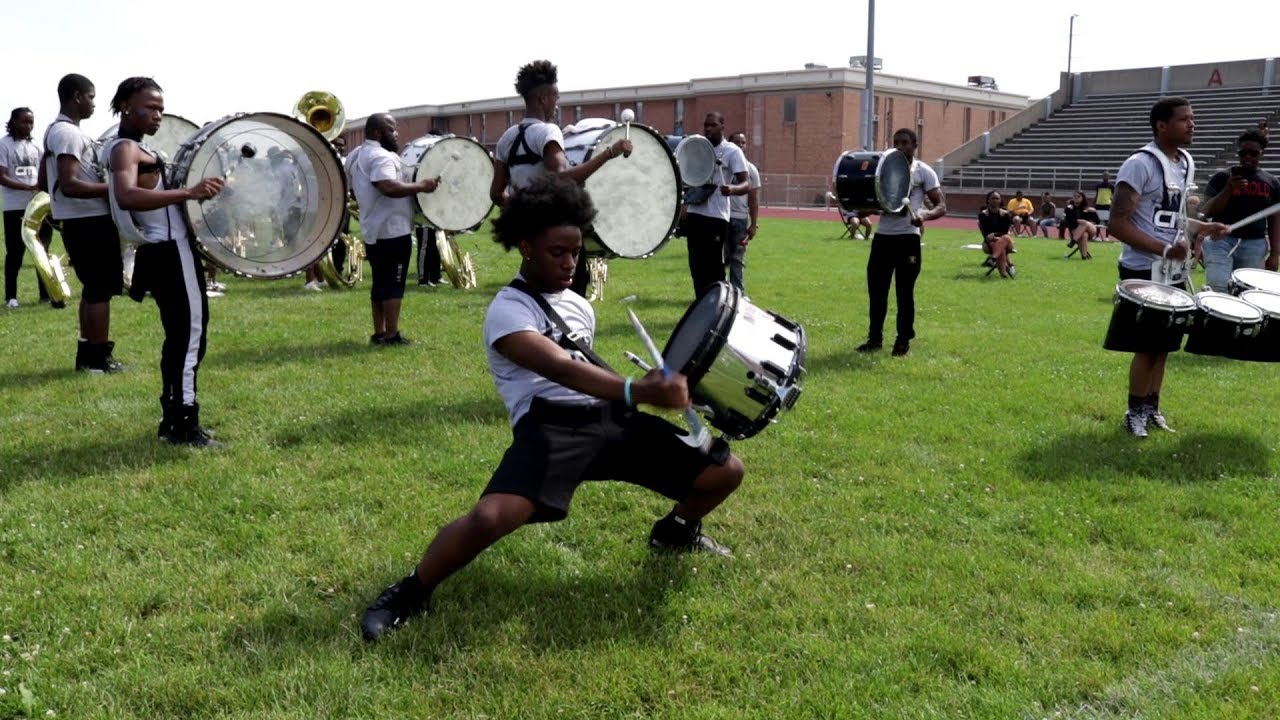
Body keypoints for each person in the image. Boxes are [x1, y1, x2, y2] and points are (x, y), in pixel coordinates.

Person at [359, 175, 744, 642]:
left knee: (724, 472)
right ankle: (410, 592)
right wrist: (638, 392)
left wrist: (657, 393)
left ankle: (676, 531)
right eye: (555, 253)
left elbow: (585, 371)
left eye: (575, 253)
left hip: (607, 418)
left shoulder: (580, 306)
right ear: (525, 247)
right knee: (490, 517)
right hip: (550, 426)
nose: (568, 263)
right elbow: (559, 368)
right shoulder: (508, 309)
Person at [105, 77, 224, 446]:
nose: (157, 115)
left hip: (168, 251)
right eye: (149, 107)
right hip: (170, 252)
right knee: (188, 339)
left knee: (182, 338)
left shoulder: (136, 148)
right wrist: (188, 191)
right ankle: (184, 425)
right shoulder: (125, 149)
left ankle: (173, 416)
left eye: (160, 108)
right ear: (125, 105)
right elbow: (126, 196)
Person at [1109, 97, 1228, 438]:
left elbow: (1171, 219)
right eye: (1184, 120)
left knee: (1164, 346)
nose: (1192, 124)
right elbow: (1118, 224)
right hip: (1144, 268)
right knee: (1147, 345)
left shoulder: (1185, 161)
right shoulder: (1139, 164)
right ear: (1162, 125)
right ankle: (1133, 412)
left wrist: (1201, 228)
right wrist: (1164, 248)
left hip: (1172, 269)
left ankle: (1151, 406)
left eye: (1193, 119)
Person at [488, 59, 632, 297]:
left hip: (529, 232)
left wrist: (522, 210)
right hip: (557, 231)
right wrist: (609, 153)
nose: (556, 104)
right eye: (555, 97)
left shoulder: (507, 138)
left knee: (534, 287)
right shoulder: (547, 132)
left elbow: (495, 193)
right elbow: (563, 178)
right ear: (543, 98)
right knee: (567, 296)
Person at [40, 73, 125, 372]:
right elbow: (70, 184)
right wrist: (118, 189)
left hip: (79, 222)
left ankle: (87, 357)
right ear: (76, 97)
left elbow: (43, 179)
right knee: (100, 291)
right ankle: (100, 361)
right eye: (90, 97)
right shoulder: (69, 134)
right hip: (89, 221)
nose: (93, 103)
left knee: (92, 290)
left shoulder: (55, 130)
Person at [345, 113, 438, 345]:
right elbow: (386, 185)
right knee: (394, 285)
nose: (396, 133)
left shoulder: (357, 154)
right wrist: (422, 186)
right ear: (377, 132)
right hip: (393, 230)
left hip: (372, 230)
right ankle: (392, 334)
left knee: (379, 283)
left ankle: (379, 332)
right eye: (391, 129)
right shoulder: (381, 156)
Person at [855, 128, 946, 357]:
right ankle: (874, 338)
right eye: (896, 142)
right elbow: (867, 207)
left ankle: (903, 341)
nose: (900, 146)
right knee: (877, 292)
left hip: (908, 239)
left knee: (904, 292)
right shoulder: (882, 170)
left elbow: (941, 205)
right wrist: (867, 207)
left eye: (905, 142)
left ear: (915, 145)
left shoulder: (924, 172)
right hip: (883, 238)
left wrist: (923, 215)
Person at [1197, 129, 1280, 291]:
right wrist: (1228, 190)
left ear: (1261, 154)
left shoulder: (1272, 182)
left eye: (1253, 153)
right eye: (1243, 153)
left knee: (1249, 291)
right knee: (1218, 287)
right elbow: (1207, 211)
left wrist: (1275, 253)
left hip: (1255, 244)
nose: (1247, 157)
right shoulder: (1222, 177)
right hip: (1220, 240)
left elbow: (1275, 219)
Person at [1, 107, 55, 307]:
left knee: (42, 249)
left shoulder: (37, 146)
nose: (29, 126)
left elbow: (46, 171)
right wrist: (28, 186)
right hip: (15, 207)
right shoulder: (4, 145)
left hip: (39, 206)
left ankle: (46, 293)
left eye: (31, 122)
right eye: (24, 122)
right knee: (15, 252)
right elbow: (2, 176)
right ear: (14, 121)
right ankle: (11, 297)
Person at [725, 132, 761, 291]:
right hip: (721, 217)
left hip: (739, 220)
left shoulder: (750, 169)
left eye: (743, 142)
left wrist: (753, 224)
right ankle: (717, 294)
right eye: (736, 142)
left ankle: (738, 293)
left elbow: (753, 200)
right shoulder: (722, 165)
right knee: (718, 259)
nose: (740, 145)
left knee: (737, 259)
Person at [977, 191, 1016, 278]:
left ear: (1000, 200)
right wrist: (996, 238)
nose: (995, 200)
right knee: (1000, 246)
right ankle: (1004, 274)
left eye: (997, 198)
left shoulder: (1005, 214)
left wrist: (994, 235)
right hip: (990, 243)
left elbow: (1005, 231)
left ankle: (993, 258)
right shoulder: (983, 215)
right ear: (988, 200)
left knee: (1005, 238)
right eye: (993, 198)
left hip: (1005, 241)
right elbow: (987, 233)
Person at [1062, 191, 1098, 260]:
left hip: (1091, 230)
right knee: (1084, 235)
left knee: (1084, 223)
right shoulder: (1069, 208)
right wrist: (1078, 221)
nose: (1076, 198)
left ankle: (1073, 241)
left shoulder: (1086, 208)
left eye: (1078, 196)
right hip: (1076, 232)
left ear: (1082, 198)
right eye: (1074, 196)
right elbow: (1069, 221)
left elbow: (1097, 221)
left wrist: (1093, 212)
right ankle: (1084, 257)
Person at [1094, 171, 1115, 238]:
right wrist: (1094, 202)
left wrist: (1113, 204)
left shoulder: (1111, 186)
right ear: (1102, 177)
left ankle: (1106, 237)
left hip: (1107, 205)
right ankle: (1097, 236)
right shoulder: (1098, 186)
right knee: (1097, 220)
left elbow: (1113, 196)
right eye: (1104, 175)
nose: (1105, 177)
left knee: (1107, 221)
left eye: (1106, 176)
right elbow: (1097, 195)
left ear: (1109, 177)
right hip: (1098, 204)